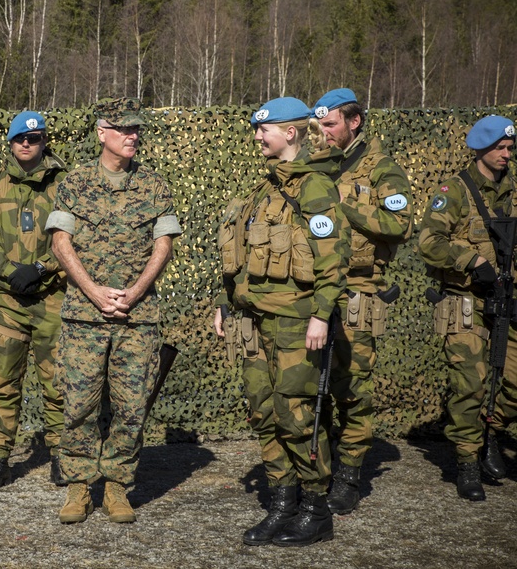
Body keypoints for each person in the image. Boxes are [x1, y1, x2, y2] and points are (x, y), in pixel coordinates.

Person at [214, 97, 350, 547]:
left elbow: (333, 263)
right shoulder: (264, 189)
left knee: (297, 414)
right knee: (264, 413)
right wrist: (225, 303)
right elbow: (239, 258)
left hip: (296, 322)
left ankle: (315, 510)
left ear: (289, 133)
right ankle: (281, 504)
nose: (257, 137)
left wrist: (321, 316)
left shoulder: (314, 187)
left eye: (264, 130)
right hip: (254, 319)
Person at [45, 97, 181, 524]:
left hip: (137, 319)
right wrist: (93, 291)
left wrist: (136, 291)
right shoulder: (74, 183)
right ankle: (79, 487)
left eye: (136, 129)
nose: (132, 136)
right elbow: (60, 242)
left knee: (131, 405)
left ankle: (118, 486)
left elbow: (164, 243)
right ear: (102, 133)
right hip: (85, 316)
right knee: (79, 403)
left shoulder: (155, 186)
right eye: (123, 129)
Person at [312, 88, 414, 514]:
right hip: (314, 291)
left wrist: (345, 205)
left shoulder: (382, 169)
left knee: (352, 388)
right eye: (319, 126)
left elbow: (399, 223)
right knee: (312, 385)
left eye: (330, 124)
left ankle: (350, 475)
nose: (323, 133)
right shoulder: (316, 162)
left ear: (355, 122)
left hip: (358, 291)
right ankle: (317, 470)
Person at [0, 110, 68, 489]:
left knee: (58, 383)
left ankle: (61, 456)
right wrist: (10, 271)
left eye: (35, 138)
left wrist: (40, 269)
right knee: (3, 381)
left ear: (44, 142)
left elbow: (77, 241)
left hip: (54, 298)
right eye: (20, 139)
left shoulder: (65, 185)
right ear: (10, 142)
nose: (27, 144)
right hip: (7, 300)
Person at [418, 114, 517, 501]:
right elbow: (429, 242)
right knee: (470, 384)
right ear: (481, 150)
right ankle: (467, 463)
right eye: (500, 148)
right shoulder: (454, 192)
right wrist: (472, 261)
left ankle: (491, 430)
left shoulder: (512, 192)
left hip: (506, 301)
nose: (507, 154)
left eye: (510, 148)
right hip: (464, 303)